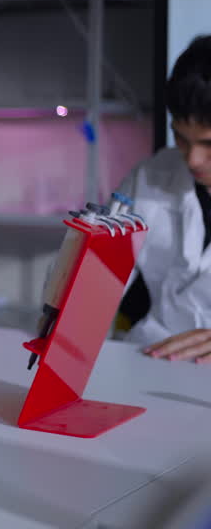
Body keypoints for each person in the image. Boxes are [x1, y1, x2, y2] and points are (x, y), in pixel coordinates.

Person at [119, 35, 211, 364]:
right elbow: (98, 275)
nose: (193, 160)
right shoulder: (150, 176)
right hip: (151, 354)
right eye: (181, 138)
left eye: (209, 144)